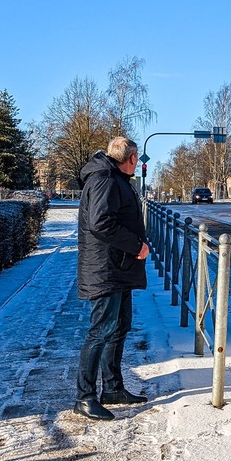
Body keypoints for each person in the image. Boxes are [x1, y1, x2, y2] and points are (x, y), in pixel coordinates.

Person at [74, 136, 151, 421]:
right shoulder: (105, 179)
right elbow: (101, 223)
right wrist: (136, 245)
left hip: (116, 268)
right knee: (101, 330)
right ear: (131, 158)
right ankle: (84, 397)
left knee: (118, 327)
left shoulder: (113, 177)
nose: (136, 162)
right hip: (105, 269)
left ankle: (113, 388)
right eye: (136, 158)